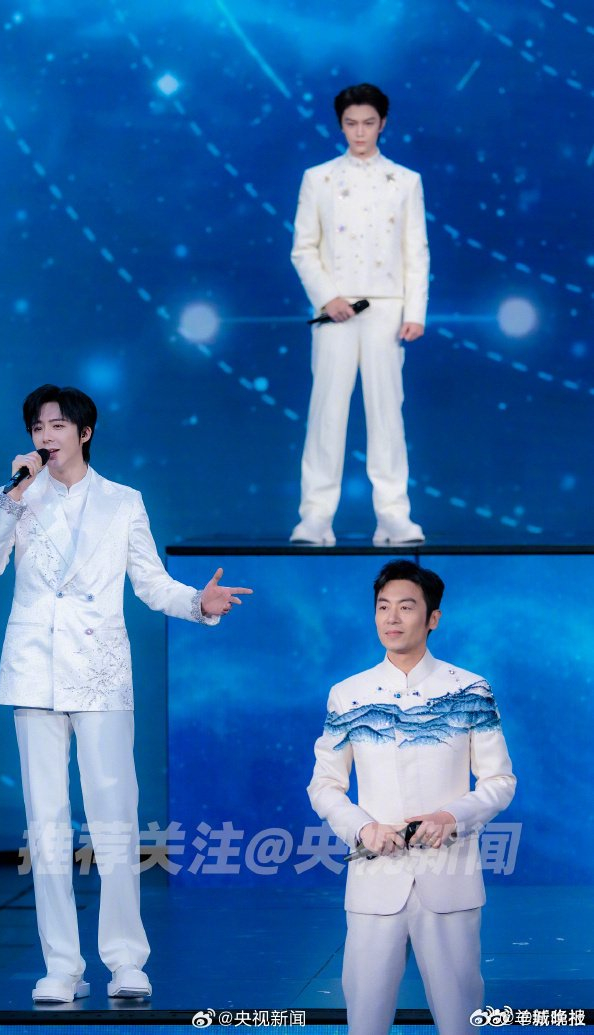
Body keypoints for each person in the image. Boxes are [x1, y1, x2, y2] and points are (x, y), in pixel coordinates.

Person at [0, 384, 252, 1005]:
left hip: (99, 671)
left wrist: (198, 603)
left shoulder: (123, 501)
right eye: (37, 427)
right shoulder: (19, 498)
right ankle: (61, 967)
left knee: (115, 818)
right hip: (34, 672)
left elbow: (151, 583)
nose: (45, 437)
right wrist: (10, 499)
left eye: (56, 426)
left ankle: (126, 959)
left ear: (84, 432)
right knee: (45, 823)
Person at [307, 560, 516, 1034]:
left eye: (406, 607)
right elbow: (324, 785)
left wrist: (451, 816)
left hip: (450, 878)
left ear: (432, 618)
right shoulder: (349, 694)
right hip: (375, 878)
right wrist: (363, 828)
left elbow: (499, 780)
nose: (392, 618)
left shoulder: (470, 689)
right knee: (365, 1020)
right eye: (383, 607)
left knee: (461, 1020)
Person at [290, 83, 430, 546]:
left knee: (388, 414)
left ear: (382, 123)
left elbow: (416, 252)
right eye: (351, 123)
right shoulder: (319, 179)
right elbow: (303, 248)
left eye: (369, 123)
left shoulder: (405, 181)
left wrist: (415, 311)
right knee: (326, 413)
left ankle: (393, 515)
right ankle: (315, 517)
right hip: (335, 312)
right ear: (341, 125)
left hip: (387, 309)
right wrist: (328, 296)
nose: (360, 132)